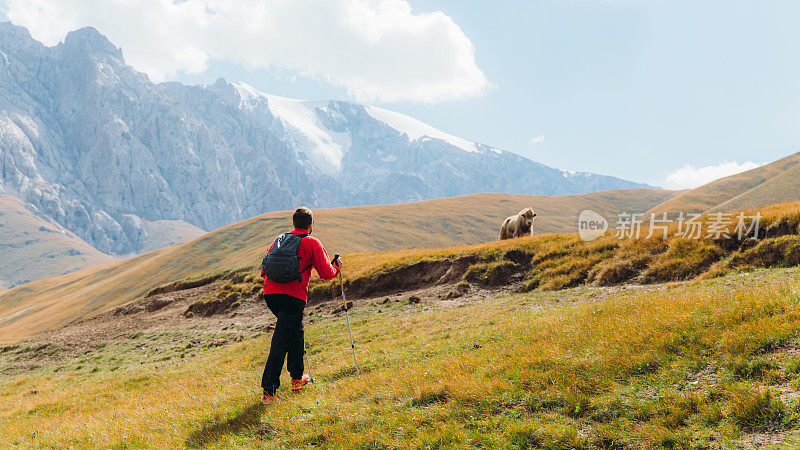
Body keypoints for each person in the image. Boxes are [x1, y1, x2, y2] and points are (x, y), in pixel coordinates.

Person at [259, 207, 340, 404]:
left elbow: (264, 269)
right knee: (281, 341)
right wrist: (336, 267)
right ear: (311, 225)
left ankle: (297, 378)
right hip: (293, 296)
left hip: (270, 294)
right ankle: (269, 392)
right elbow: (326, 273)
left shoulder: (279, 239)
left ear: (294, 223)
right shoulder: (312, 242)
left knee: (296, 330)